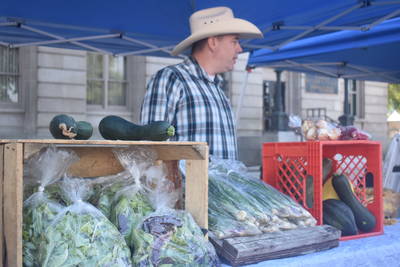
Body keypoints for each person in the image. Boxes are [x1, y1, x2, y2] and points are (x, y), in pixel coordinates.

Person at [140, 6, 262, 159]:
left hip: (222, 183)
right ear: (213, 42)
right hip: (186, 184)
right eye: (234, 41)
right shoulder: (171, 78)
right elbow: (150, 149)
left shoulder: (218, 89)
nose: (240, 49)